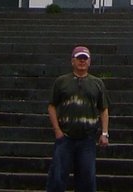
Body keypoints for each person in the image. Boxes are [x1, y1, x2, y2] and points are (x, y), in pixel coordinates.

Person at [46, 45, 110, 192]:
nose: (82, 61)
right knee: (57, 178)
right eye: (79, 58)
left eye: (85, 59)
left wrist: (104, 133)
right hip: (65, 137)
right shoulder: (61, 81)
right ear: (72, 61)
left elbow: (103, 109)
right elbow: (52, 106)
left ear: (89, 62)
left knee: (87, 179)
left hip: (87, 138)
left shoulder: (97, 83)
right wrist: (57, 131)